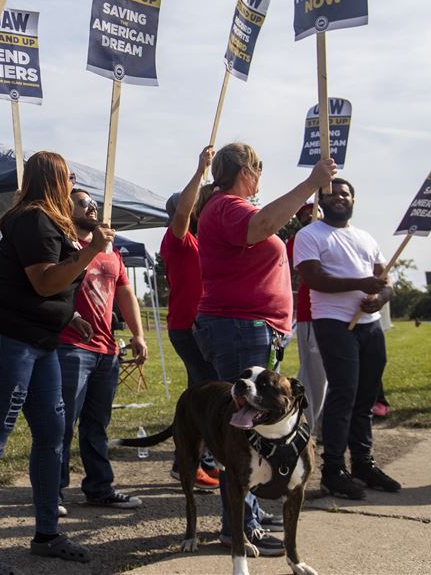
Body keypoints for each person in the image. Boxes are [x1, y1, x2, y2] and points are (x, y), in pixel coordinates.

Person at [0, 152, 113, 573]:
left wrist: (71, 315)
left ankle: (47, 532)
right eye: (68, 178)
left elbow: (48, 290)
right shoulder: (32, 219)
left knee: (53, 433)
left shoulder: (47, 221)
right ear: (54, 179)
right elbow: (45, 279)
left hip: (42, 341)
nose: (72, 186)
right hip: (11, 340)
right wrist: (90, 252)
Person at [193, 142, 336, 555]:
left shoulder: (226, 207)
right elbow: (259, 227)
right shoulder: (227, 206)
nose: (259, 182)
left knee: (250, 424)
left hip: (250, 327)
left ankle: (248, 512)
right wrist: (310, 183)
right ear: (246, 171)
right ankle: (239, 526)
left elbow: (262, 229)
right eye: (258, 172)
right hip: (240, 327)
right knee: (244, 426)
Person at [293, 178, 401, 499]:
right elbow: (314, 278)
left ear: (353, 200)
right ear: (320, 201)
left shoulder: (366, 237)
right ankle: (333, 470)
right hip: (334, 323)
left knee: (367, 397)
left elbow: (386, 281)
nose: (339, 197)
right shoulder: (310, 235)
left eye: (345, 193)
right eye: (331, 193)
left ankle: (363, 463)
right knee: (344, 394)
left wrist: (380, 299)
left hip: (369, 324)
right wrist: (362, 283)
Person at [56, 187, 149, 512]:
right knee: (61, 423)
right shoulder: (63, 246)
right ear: (67, 211)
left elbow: (125, 294)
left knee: (97, 423)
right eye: (83, 203)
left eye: (93, 203)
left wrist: (138, 334)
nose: (91, 208)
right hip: (69, 348)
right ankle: (51, 493)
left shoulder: (111, 252)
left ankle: (99, 487)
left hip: (106, 350)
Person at [159, 145, 221, 490]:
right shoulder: (177, 238)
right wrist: (201, 171)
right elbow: (183, 210)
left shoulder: (202, 240)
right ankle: (190, 463)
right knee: (205, 395)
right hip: (188, 326)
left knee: (201, 392)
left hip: (201, 325)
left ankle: (193, 462)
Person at [287, 203, 328, 431]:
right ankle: (307, 426)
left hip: (337, 311)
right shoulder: (298, 239)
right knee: (314, 373)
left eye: (314, 211)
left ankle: (325, 424)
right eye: (303, 213)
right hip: (311, 312)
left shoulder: (333, 235)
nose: (309, 216)